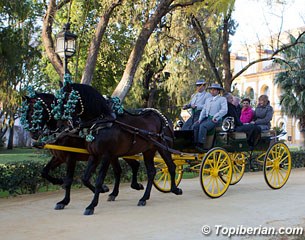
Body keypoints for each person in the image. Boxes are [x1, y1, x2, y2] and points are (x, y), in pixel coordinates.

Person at [193, 83, 227, 150]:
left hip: (216, 120)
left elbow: (224, 110)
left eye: (214, 90)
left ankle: (201, 144)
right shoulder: (208, 100)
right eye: (211, 90)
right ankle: (194, 142)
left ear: (218, 91)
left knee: (203, 126)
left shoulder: (222, 99)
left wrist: (216, 117)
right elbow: (204, 110)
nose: (212, 91)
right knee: (195, 125)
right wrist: (200, 119)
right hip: (207, 118)